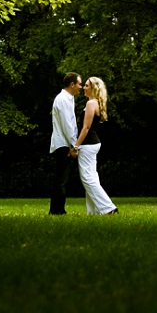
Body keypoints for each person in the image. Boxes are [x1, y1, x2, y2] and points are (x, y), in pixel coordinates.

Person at [72, 77, 118, 215]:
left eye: (86, 86)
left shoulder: (92, 103)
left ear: (94, 88)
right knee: (91, 177)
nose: (84, 88)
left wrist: (75, 146)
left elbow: (86, 128)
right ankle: (93, 211)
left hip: (88, 145)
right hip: (92, 144)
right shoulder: (94, 102)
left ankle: (108, 208)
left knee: (87, 178)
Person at [49, 72, 82, 215]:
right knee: (61, 179)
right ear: (72, 84)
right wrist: (73, 146)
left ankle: (57, 209)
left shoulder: (68, 99)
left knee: (62, 178)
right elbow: (66, 124)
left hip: (65, 143)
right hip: (63, 143)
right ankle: (57, 210)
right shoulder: (62, 99)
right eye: (80, 84)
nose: (81, 87)